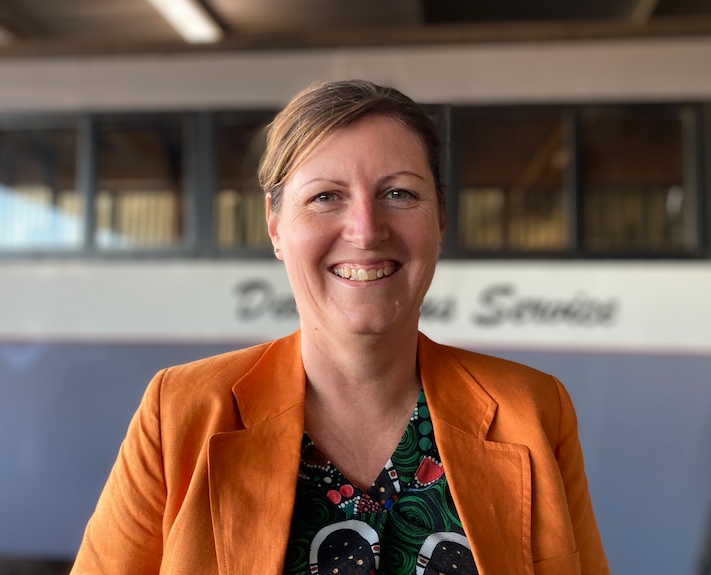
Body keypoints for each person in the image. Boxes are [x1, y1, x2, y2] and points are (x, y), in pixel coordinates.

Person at [70, 79, 609, 575]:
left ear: (440, 218)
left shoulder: (535, 411)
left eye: (399, 193)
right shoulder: (178, 415)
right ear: (276, 227)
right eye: (326, 196)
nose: (367, 230)